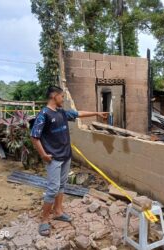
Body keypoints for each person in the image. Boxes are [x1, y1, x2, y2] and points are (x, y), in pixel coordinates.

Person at [30, 85, 108, 236]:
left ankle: (58, 211)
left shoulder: (61, 113)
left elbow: (78, 113)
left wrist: (97, 113)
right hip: (53, 158)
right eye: (61, 96)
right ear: (54, 96)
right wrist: (43, 155)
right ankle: (44, 220)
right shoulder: (44, 114)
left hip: (66, 155)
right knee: (52, 188)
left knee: (61, 185)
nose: (63, 99)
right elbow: (34, 136)